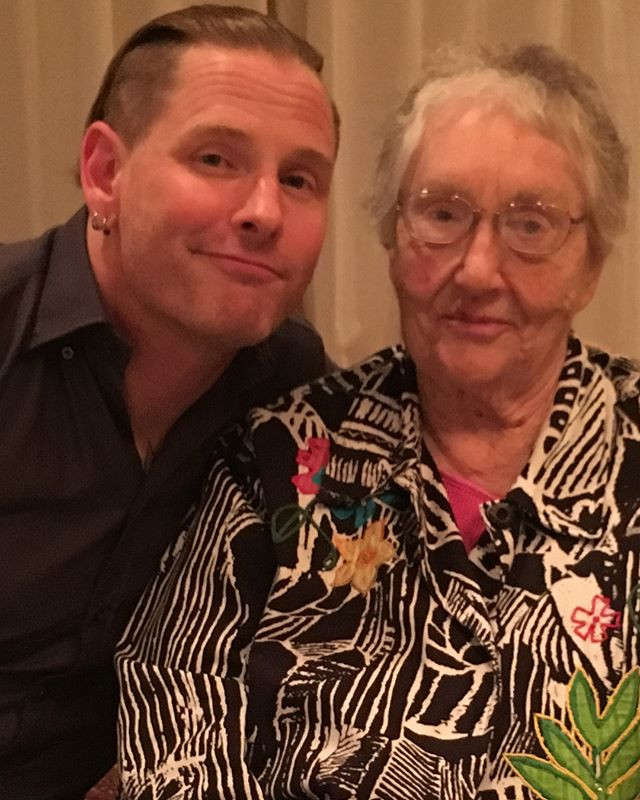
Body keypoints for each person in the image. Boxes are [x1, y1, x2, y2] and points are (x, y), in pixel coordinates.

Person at [117, 43, 640, 799]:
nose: (478, 269)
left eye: (531, 226)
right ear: (394, 241)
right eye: (442, 215)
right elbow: (174, 710)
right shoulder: (279, 457)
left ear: (589, 265)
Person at [0, 4, 338, 799]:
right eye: (216, 158)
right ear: (104, 173)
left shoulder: (293, 388)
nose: (264, 212)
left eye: (299, 179)